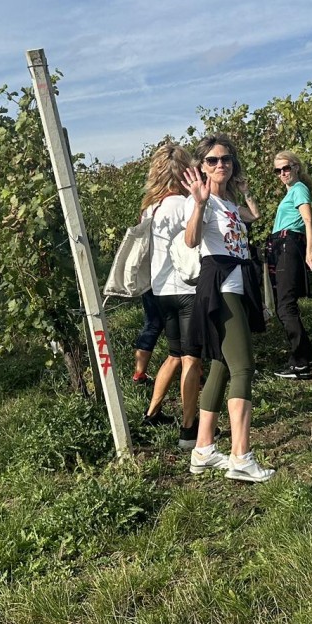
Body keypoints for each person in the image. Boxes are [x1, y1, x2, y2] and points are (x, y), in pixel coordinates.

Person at [182, 133, 275, 483]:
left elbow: (254, 216)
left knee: (221, 366)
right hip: (221, 287)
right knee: (244, 367)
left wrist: (245, 191)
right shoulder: (203, 201)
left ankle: (203, 450)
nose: (220, 164)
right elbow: (191, 240)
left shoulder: (230, 204)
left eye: (226, 159)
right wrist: (199, 204)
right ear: (202, 166)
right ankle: (241, 457)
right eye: (212, 160)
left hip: (237, 283)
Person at [139, 143, 202, 440]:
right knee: (191, 359)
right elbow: (195, 237)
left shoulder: (150, 209)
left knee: (174, 354)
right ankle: (189, 429)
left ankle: (152, 413)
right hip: (187, 287)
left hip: (161, 290)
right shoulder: (185, 203)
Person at [268, 150, 312, 380]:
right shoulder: (292, 191)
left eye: (286, 168)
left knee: (285, 306)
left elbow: (308, 220)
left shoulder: (299, 189)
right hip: (282, 244)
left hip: (289, 244)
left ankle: (300, 362)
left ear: (296, 167)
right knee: (285, 305)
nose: (282, 173)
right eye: (278, 170)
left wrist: (310, 250)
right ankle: (307, 358)